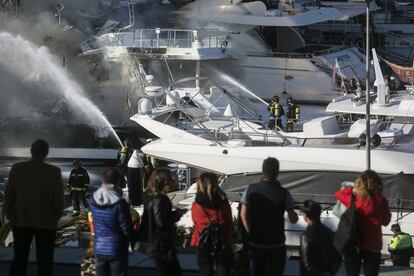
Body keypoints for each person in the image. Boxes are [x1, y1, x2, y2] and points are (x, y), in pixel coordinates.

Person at [4, 139, 64, 276]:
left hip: (21, 221)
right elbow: (59, 201)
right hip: (46, 223)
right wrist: (55, 216)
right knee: (45, 261)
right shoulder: (54, 172)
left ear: (31, 151)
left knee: (19, 258)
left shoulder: (17, 169)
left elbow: (9, 196)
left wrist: (10, 215)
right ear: (46, 153)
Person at [240, 157, 298, 276]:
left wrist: (250, 232)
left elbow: (243, 215)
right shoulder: (284, 192)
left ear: (263, 171)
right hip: (276, 243)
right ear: (277, 172)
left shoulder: (250, 189)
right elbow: (293, 219)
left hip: (256, 242)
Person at [335, 170, 391, 276]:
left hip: (353, 242)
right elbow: (386, 221)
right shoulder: (381, 201)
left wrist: (353, 190)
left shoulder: (355, 199)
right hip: (373, 245)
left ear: (360, 183)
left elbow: (338, 194)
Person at [88, 168, 133, 276]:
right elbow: (126, 228)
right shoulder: (120, 203)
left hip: (99, 247)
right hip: (117, 247)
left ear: (102, 180)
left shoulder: (92, 201)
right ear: (118, 182)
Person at [141, 168, 184, 276]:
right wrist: (177, 214)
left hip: (154, 241)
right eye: (170, 179)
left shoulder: (148, 197)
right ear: (164, 182)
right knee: (170, 271)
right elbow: (161, 223)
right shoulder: (161, 200)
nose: (173, 181)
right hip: (163, 243)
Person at [191, 173, 233, 276]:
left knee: (205, 271)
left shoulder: (197, 205)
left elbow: (196, 223)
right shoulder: (223, 202)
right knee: (223, 271)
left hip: (202, 242)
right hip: (222, 241)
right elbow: (228, 222)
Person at [300, 200, 342, 276]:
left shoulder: (305, 236)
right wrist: (330, 272)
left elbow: (306, 264)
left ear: (305, 215)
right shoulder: (330, 233)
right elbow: (338, 257)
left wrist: (321, 273)